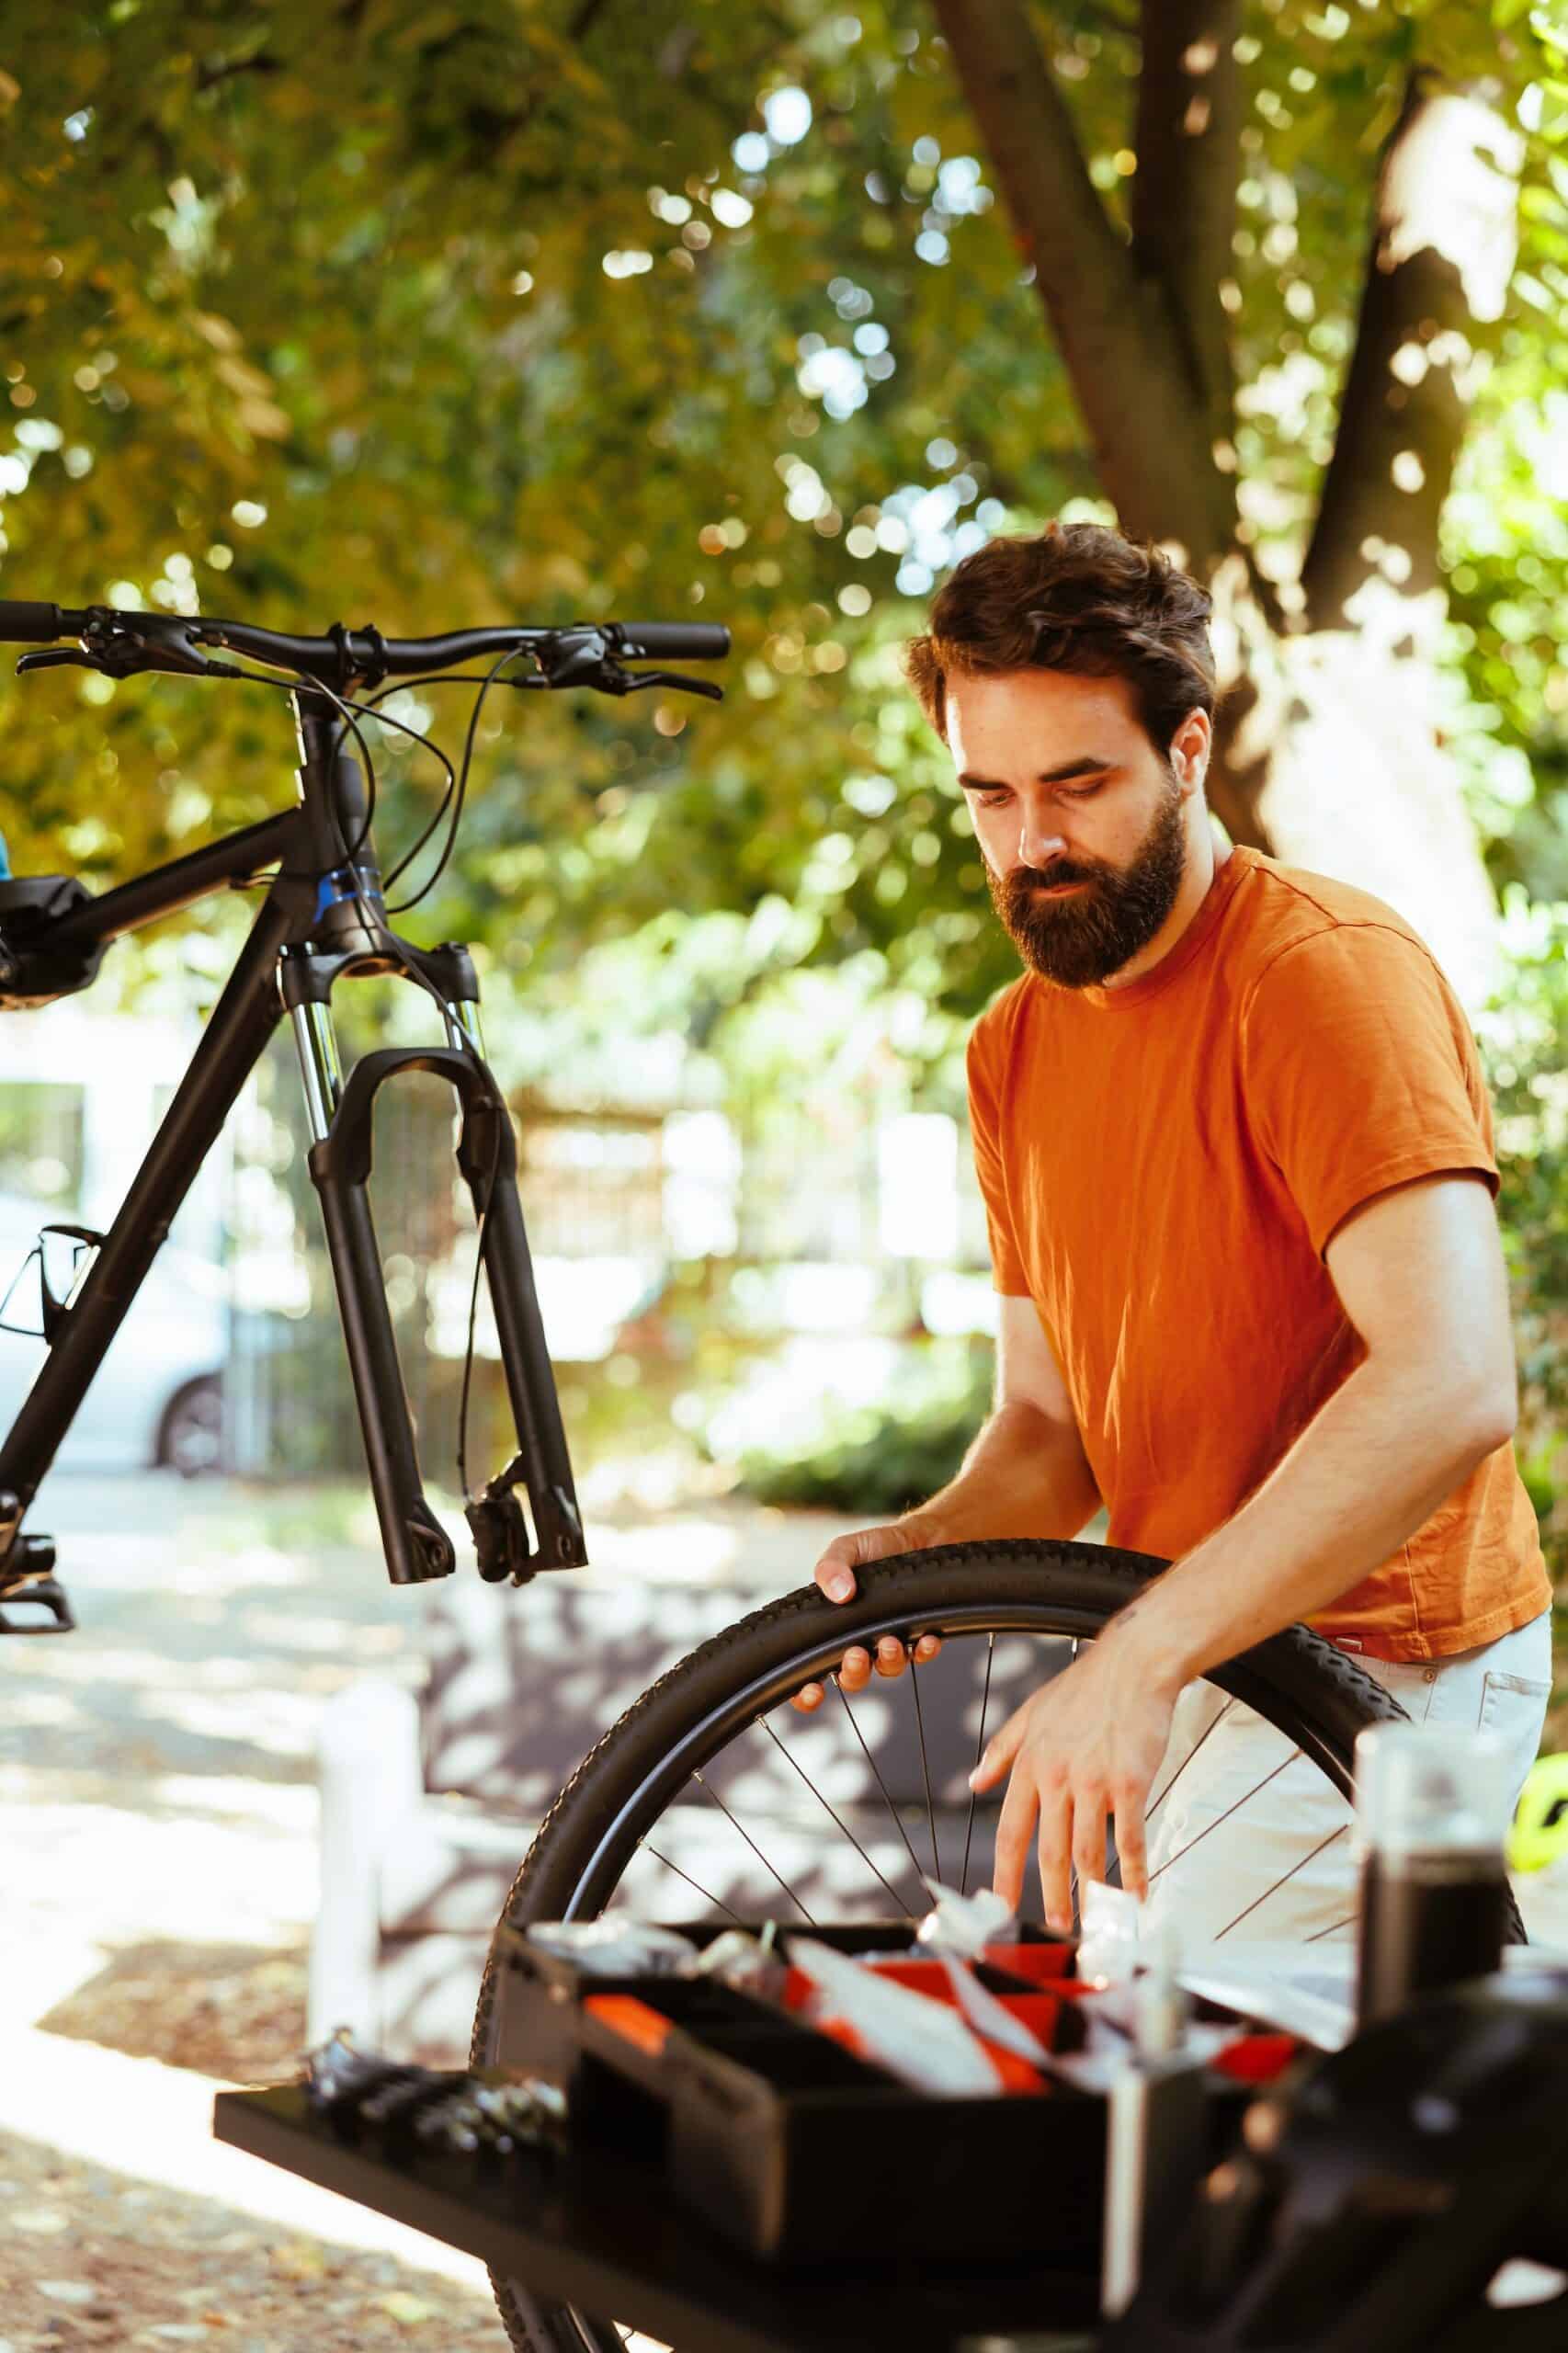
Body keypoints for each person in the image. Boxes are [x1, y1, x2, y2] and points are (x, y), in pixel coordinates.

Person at [792, 521, 1551, 1947]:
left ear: (1187, 752)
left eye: (1079, 785)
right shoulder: (1012, 1049)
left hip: (1384, 1661)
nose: (1032, 843)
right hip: (1200, 1632)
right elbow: (1046, 1427)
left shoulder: (1319, 980)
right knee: (1146, 2083)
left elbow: (1448, 1384)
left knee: (1206, 2107)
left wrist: (1139, 1657)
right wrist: (928, 1549)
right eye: (990, 796)